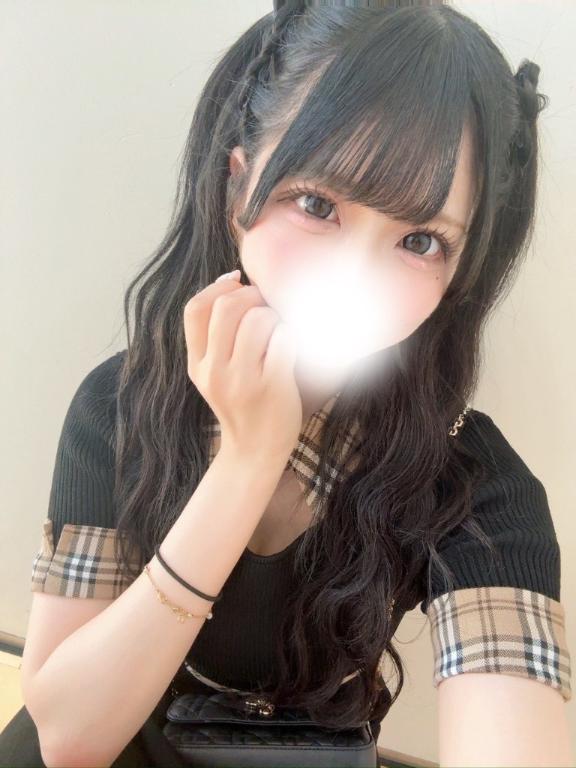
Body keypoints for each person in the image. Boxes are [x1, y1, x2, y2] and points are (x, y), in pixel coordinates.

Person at [1, 1, 572, 766]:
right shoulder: (122, 404)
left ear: (461, 270)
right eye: (316, 204)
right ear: (238, 190)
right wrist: (247, 462)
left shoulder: (475, 486)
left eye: (419, 240)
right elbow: (69, 736)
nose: (354, 275)